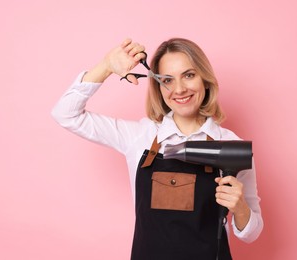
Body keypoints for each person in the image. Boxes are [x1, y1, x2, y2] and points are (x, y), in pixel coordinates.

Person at [51, 38, 263, 259]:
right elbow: (65, 114)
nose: (179, 89)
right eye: (167, 80)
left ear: (205, 80)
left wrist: (240, 208)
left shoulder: (231, 146)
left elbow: (251, 233)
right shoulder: (139, 136)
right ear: (158, 87)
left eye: (189, 75)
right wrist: (106, 66)